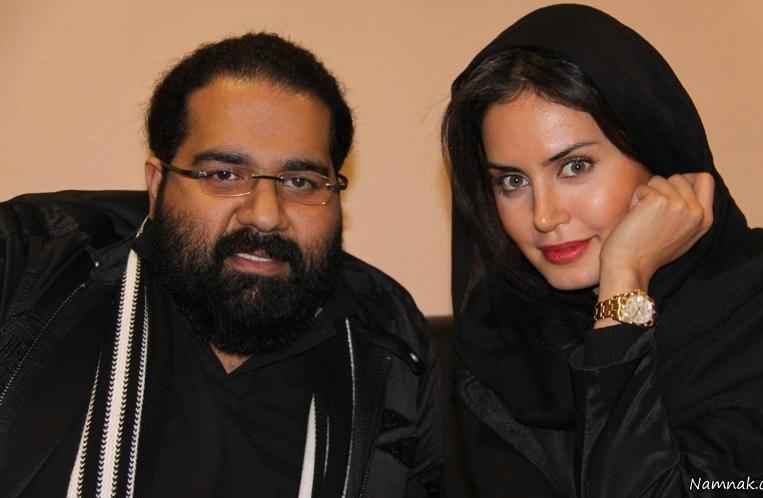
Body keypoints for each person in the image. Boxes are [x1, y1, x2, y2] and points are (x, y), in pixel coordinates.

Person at [0, 33, 442, 498]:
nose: (266, 215)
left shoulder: (390, 345)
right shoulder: (29, 269)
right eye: (224, 175)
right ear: (157, 184)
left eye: (300, 181)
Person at [442, 4, 763, 497]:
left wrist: (623, 284)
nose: (544, 216)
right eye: (512, 181)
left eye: (575, 167)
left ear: (657, 156)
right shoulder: (501, 340)